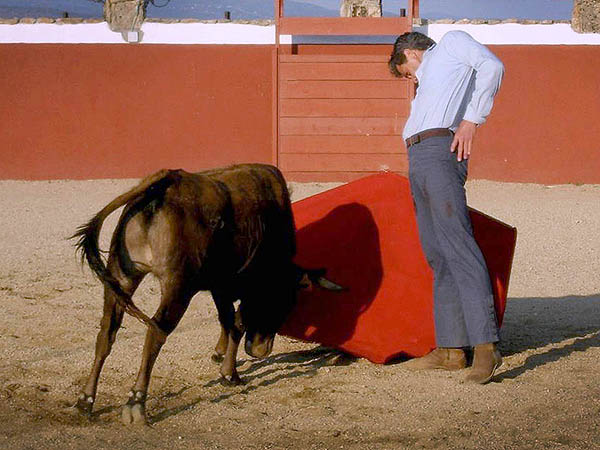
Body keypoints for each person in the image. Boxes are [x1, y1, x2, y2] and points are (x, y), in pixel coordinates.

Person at [388, 30, 505, 384]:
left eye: (406, 71)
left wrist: (472, 120)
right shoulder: (430, 84)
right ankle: (452, 349)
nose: (411, 78)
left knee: (457, 245)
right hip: (419, 154)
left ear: (411, 53)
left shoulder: (451, 43)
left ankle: (486, 345)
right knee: (437, 253)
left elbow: (493, 66)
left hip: (442, 149)